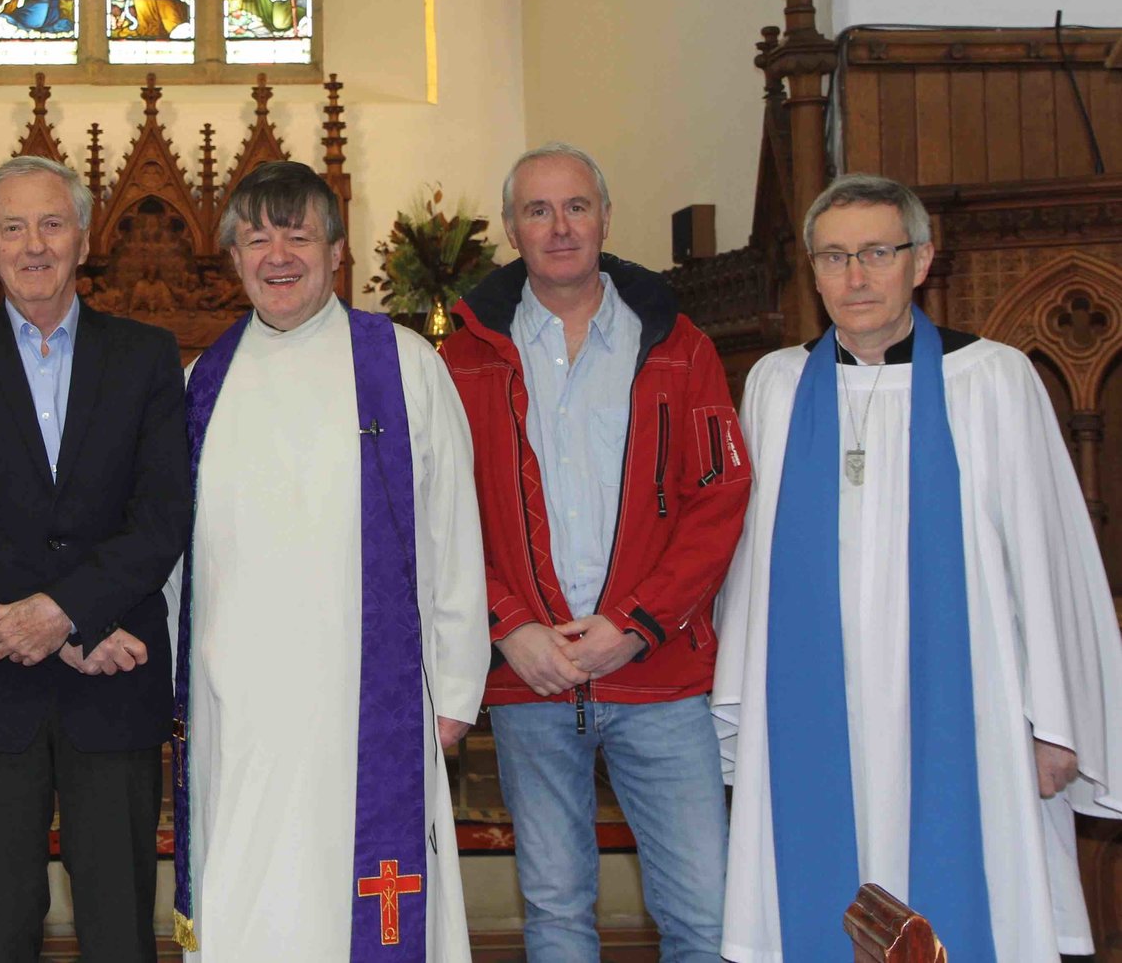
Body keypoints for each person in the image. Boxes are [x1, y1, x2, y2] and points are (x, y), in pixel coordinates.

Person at [714, 172, 1122, 961]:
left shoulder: (991, 382)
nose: (855, 277)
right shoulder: (776, 386)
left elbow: (1046, 555)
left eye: (876, 252)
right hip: (813, 707)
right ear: (812, 269)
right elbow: (747, 574)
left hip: (972, 706)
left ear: (923, 259)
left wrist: (1055, 716)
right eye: (832, 257)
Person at [439, 144, 750, 962]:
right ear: (512, 229)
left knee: (704, 917)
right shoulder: (462, 360)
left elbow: (717, 503)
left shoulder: (680, 347)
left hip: (659, 677)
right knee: (556, 914)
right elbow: (443, 517)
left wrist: (635, 624)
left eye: (576, 206)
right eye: (537, 211)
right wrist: (511, 629)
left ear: (607, 218)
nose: (560, 226)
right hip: (532, 679)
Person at [172, 160, 487, 962]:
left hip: (365, 702)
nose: (278, 255)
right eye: (256, 238)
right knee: (251, 901)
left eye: (298, 234)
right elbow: (177, 557)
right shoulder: (201, 383)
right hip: (235, 705)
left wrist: (453, 691)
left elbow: (453, 532)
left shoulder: (404, 364)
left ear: (338, 251)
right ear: (234, 257)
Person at [0, 153, 189, 963]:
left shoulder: (145, 355)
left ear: (83, 237)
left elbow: (161, 511)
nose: (34, 244)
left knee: (119, 925)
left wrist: (69, 613)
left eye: (52, 224)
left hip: (117, 677)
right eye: (13, 227)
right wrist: (59, 622)